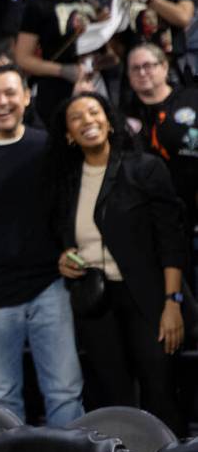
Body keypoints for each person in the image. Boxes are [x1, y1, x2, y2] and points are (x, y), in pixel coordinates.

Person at [0, 64, 85, 426]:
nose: (2, 102)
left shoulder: (49, 148)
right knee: (0, 397)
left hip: (49, 289)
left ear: (26, 97)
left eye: (11, 93)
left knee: (65, 392)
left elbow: (67, 211)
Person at [48, 92, 185, 433]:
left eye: (94, 112)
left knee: (159, 392)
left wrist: (173, 302)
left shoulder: (146, 168)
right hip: (96, 302)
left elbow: (172, 240)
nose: (87, 121)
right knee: (113, 394)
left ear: (109, 122)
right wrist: (65, 258)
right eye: (76, 117)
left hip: (147, 298)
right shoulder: (66, 181)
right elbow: (65, 237)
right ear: (68, 134)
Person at [16, 0, 106, 127]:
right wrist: (63, 70)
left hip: (92, 83)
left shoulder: (93, 3)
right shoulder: (39, 7)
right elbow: (22, 58)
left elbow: (109, 55)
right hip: (54, 88)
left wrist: (106, 57)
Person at [123, 43, 198, 258]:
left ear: (164, 67)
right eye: (135, 68)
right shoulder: (122, 114)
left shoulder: (192, 98)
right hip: (153, 219)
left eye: (148, 65)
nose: (142, 72)